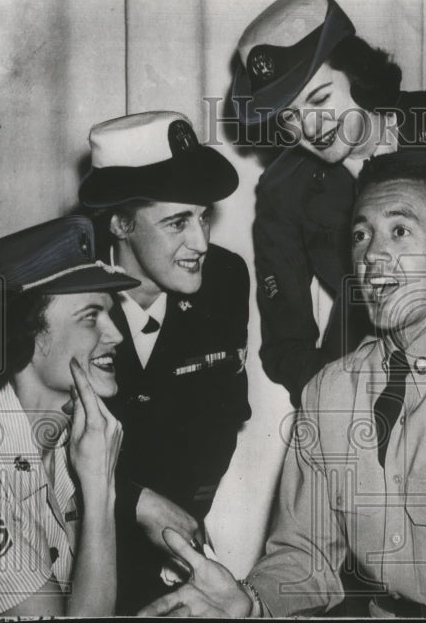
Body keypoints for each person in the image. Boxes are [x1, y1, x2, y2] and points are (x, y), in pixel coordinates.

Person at [139, 151, 426, 618]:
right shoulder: (331, 391)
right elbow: (307, 557)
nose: (372, 255)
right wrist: (252, 601)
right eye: (361, 235)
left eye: (400, 231)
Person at [229, 0, 426, 407]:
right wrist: (346, 403)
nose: (309, 128)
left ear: (357, 74)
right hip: (378, 390)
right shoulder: (284, 192)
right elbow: (286, 346)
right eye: (288, 116)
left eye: (318, 100)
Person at [77, 111, 252, 613]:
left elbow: (219, 421)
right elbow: (39, 447)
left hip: (174, 539)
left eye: (203, 217)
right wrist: (134, 503)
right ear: (119, 222)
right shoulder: (67, 296)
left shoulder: (224, 279)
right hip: (72, 540)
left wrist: (179, 542)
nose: (201, 242)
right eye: (178, 222)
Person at [0, 215, 139, 617]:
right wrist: (101, 493)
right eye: (91, 316)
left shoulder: (72, 439)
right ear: (29, 336)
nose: (117, 335)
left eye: (110, 313)